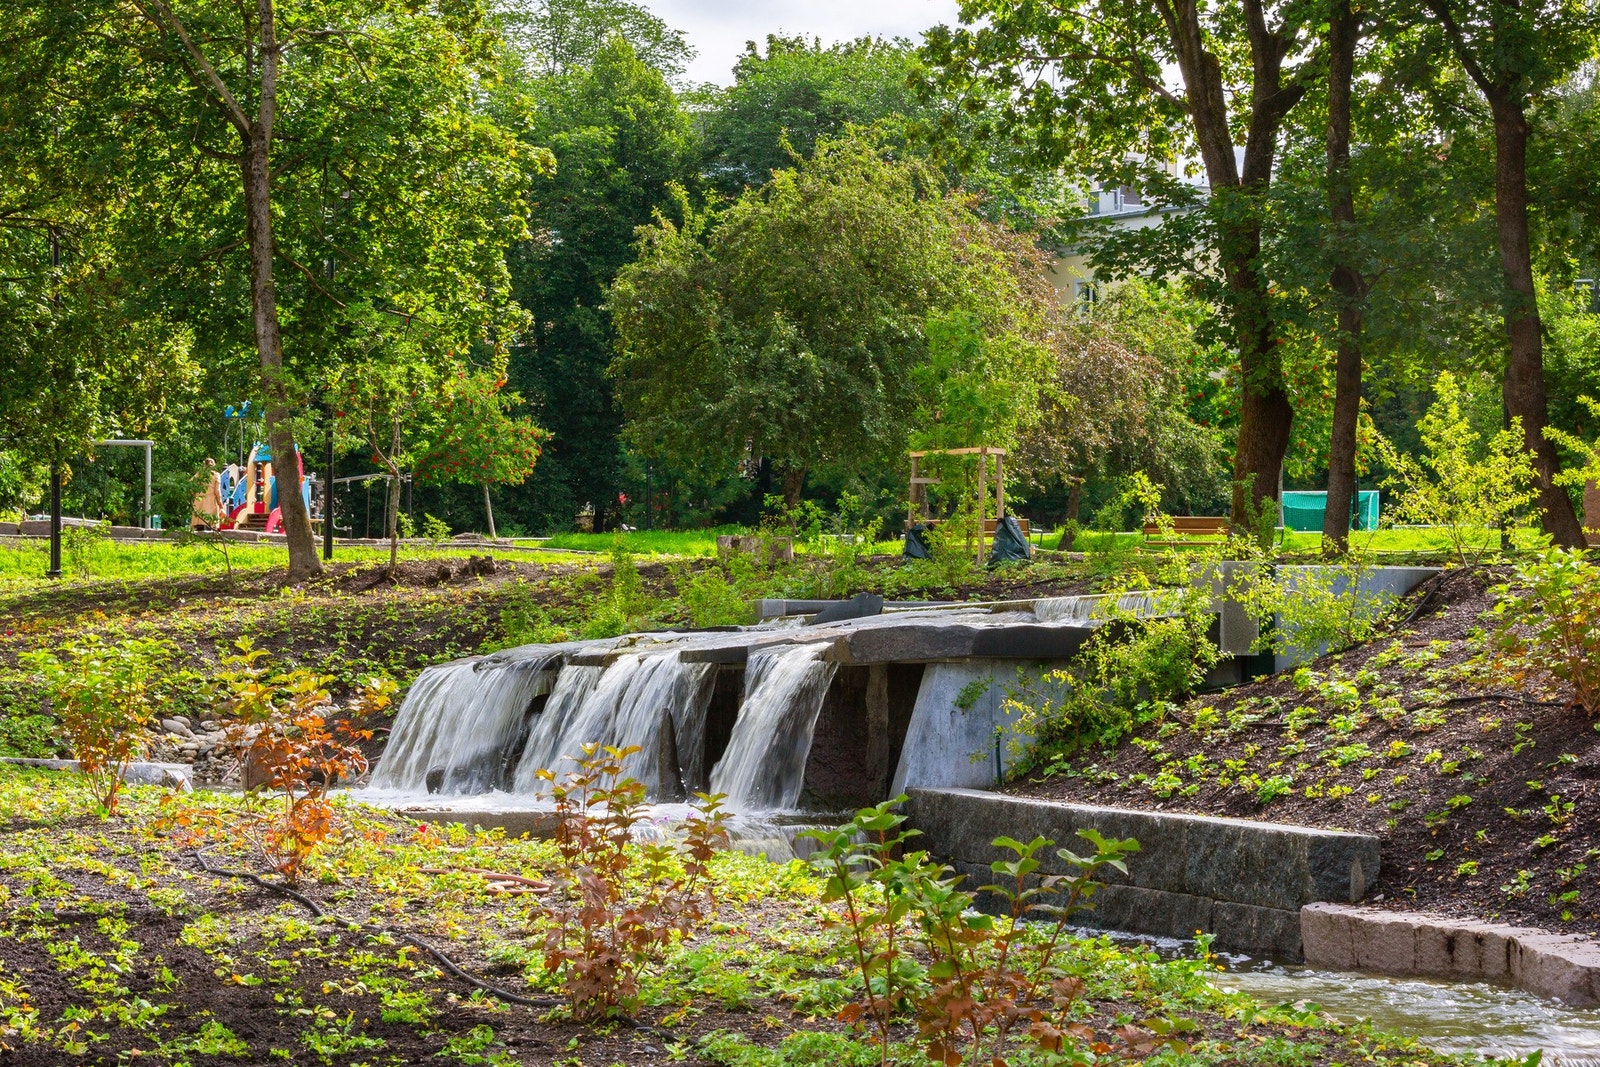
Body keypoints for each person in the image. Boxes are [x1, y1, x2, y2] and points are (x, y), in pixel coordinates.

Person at [191, 458, 223, 530]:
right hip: (211, 501)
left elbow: (191, 485)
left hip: (199, 500)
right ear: (214, 465)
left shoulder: (198, 474)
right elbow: (217, 490)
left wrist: (194, 495)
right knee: (210, 523)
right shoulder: (216, 475)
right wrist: (220, 503)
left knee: (199, 523)